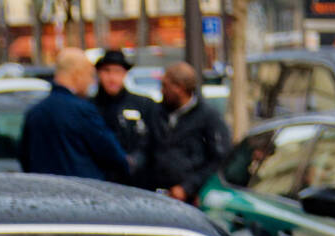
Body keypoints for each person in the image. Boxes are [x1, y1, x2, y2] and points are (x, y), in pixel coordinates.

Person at [18, 48, 130, 182]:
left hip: (43, 193)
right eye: (90, 75)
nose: (91, 82)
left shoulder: (35, 113)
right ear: (78, 74)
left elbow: (24, 158)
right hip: (82, 194)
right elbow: (112, 155)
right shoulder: (83, 111)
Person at [150, 61, 229, 203]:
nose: (161, 91)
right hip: (157, 192)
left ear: (179, 88)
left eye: (165, 86)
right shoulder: (157, 112)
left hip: (188, 198)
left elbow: (218, 159)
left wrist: (188, 187)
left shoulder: (208, 117)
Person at [88, 48, 157, 184]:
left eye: (117, 71)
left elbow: (153, 142)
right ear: (99, 73)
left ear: (125, 74)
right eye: (107, 71)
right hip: (98, 181)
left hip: (136, 182)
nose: (112, 77)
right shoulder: (88, 107)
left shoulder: (144, 104)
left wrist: (137, 160)